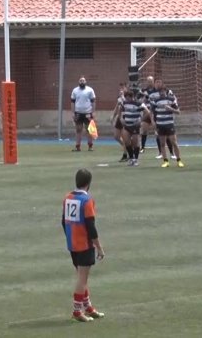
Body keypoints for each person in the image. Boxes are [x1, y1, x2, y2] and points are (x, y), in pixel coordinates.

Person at [62, 169, 105, 322]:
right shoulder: (87, 201)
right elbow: (91, 227)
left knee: (81, 277)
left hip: (72, 244)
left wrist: (69, 237)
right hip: (84, 244)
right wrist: (99, 247)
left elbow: (63, 221)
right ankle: (77, 311)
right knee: (82, 278)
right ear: (88, 183)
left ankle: (88, 307)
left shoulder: (68, 197)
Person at [154, 85, 184, 168]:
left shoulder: (171, 100)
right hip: (160, 124)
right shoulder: (156, 101)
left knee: (174, 142)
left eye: (163, 91)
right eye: (160, 91)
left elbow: (178, 112)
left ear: (166, 91)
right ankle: (165, 161)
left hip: (169, 124)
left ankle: (179, 160)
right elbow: (153, 113)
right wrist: (154, 123)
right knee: (162, 144)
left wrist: (170, 109)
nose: (162, 93)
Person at [118, 89, 149, 166]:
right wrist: (121, 118)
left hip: (135, 126)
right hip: (127, 125)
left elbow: (147, 112)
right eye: (126, 97)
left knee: (135, 142)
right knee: (127, 142)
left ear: (133, 97)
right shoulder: (124, 103)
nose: (128, 99)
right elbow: (120, 110)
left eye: (129, 97)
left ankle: (136, 159)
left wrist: (141, 120)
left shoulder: (138, 103)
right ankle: (131, 158)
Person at [71, 76, 96, 152]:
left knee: (89, 130)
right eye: (80, 80)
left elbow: (93, 101)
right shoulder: (75, 90)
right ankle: (77, 146)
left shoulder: (90, 90)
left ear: (85, 82)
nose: (82, 82)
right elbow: (72, 102)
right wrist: (72, 112)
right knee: (78, 130)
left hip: (88, 113)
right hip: (78, 113)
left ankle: (90, 146)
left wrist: (93, 112)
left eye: (83, 80)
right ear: (79, 82)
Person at [138, 76, 158, 153]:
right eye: (148, 81)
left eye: (151, 81)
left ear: (153, 81)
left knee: (157, 131)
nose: (149, 82)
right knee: (144, 130)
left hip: (155, 112)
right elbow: (138, 100)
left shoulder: (156, 90)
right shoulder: (143, 90)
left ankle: (160, 150)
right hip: (146, 112)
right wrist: (143, 97)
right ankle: (142, 147)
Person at [111, 82, 129, 162]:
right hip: (119, 117)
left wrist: (122, 96)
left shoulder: (128, 96)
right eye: (120, 88)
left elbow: (127, 105)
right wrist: (113, 116)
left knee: (124, 137)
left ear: (126, 87)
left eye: (123, 87)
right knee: (116, 136)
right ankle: (127, 147)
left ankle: (125, 154)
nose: (121, 89)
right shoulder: (119, 97)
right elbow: (117, 107)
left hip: (125, 117)